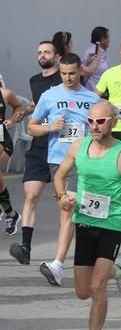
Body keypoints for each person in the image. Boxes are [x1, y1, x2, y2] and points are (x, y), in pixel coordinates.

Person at [54, 101, 121, 330]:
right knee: (83, 291)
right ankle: (119, 268)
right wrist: (61, 196)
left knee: (98, 286)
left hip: (111, 224)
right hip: (83, 222)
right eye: (91, 121)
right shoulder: (78, 147)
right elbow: (60, 176)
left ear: (113, 122)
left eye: (101, 121)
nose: (95, 126)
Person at [28, 53, 100, 286]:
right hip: (58, 162)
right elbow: (32, 127)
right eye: (64, 74)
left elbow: (102, 130)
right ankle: (103, 262)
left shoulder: (91, 98)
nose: (68, 78)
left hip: (84, 161)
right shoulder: (49, 96)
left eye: (72, 73)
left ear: (80, 71)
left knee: (71, 211)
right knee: (73, 213)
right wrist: (50, 127)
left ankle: (59, 264)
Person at [10, 41, 63, 264]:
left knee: (64, 203)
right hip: (40, 143)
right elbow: (36, 101)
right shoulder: (35, 80)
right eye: (39, 52)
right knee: (31, 195)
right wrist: (24, 111)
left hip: (61, 146)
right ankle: (26, 247)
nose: (42, 55)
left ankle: (63, 255)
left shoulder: (65, 78)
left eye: (47, 52)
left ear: (57, 56)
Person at [0, 84, 25, 235]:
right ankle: (11, 214)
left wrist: (12, 120)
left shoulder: (5, 94)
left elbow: (19, 108)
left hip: (2, 143)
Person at [82, 26, 110, 91]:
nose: (110, 41)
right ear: (103, 39)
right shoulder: (93, 53)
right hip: (92, 91)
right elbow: (88, 73)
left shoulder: (101, 51)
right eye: (108, 38)